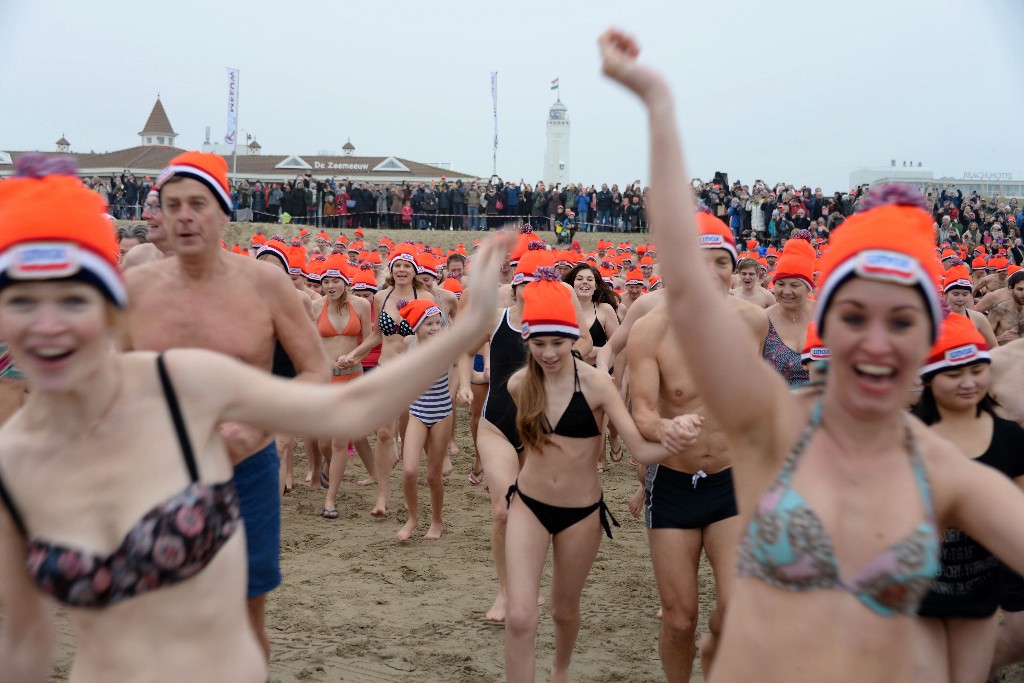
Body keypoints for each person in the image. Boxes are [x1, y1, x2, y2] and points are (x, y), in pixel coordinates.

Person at [600, 28, 1024, 682]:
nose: (875, 341)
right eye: (853, 315)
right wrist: (657, 106)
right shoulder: (776, 419)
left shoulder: (943, 470)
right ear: (830, 323)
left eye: (902, 320)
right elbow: (685, 285)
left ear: (928, 337)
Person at [0, 157, 512, 682]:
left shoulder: (178, 383)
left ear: (107, 309)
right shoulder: (17, 459)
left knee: (248, 605)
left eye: (73, 301)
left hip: (240, 517)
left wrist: (465, 327)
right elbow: (21, 644)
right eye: (22, 302)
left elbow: (348, 406)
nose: (47, 325)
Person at [122, 152, 330, 661]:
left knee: (243, 614)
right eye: (173, 206)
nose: (184, 216)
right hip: (158, 474)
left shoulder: (265, 284)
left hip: (245, 468)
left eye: (197, 204)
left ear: (222, 212)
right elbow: (110, 383)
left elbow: (316, 370)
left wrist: (256, 425)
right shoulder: (135, 290)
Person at [503, 267, 695, 683]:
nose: (549, 352)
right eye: (540, 343)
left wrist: (680, 442)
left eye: (558, 342)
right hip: (528, 507)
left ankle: (560, 670)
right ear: (527, 341)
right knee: (520, 616)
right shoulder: (520, 385)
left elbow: (639, 447)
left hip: (581, 512)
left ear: (574, 340)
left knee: (563, 609)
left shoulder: (596, 385)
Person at [627, 215, 767, 682]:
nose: (710, 273)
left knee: (737, 609)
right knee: (679, 618)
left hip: (732, 481)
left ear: (735, 269)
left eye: (721, 262)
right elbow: (642, 411)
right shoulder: (652, 331)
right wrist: (665, 428)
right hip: (673, 484)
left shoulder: (754, 322)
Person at [909, 314, 1024, 683]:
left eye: (977, 370)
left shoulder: (1009, 437)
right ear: (929, 380)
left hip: (980, 592)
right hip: (918, 594)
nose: (968, 383)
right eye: (953, 374)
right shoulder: (908, 439)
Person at [394, 299, 464, 542]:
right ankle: (412, 518)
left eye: (438, 323)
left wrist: (456, 391)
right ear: (416, 326)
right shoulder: (409, 342)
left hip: (442, 411)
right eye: (429, 324)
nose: (435, 328)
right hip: (417, 411)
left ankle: (436, 521)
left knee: (433, 476)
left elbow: (458, 365)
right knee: (410, 471)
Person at [312, 255, 375, 518]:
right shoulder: (315, 306)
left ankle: (330, 500)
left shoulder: (360, 304)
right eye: (326, 281)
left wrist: (356, 354)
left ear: (345, 282)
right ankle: (327, 464)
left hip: (352, 377)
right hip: (326, 380)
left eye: (336, 280)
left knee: (339, 441)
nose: (330, 285)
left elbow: (374, 337)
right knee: (324, 441)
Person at [986, 270, 1024, 345]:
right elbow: (983, 339)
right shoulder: (999, 310)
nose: (1023, 294)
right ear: (1010, 289)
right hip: (1004, 354)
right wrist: (1001, 338)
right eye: (1020, 289)